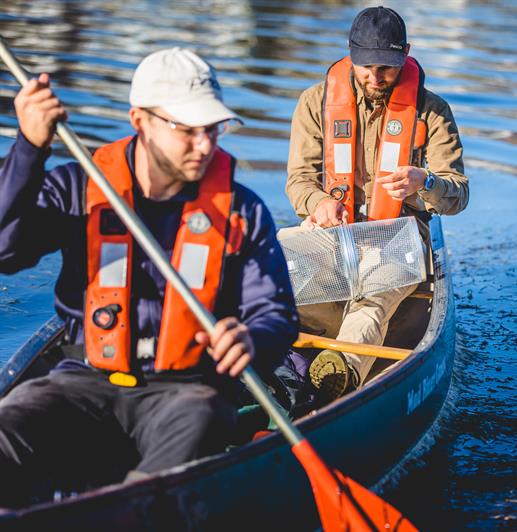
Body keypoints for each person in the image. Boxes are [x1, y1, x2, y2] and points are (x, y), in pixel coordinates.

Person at [0, 48, 298, 506]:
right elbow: (5, 251)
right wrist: (28, 149)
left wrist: (252, 338)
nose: (205, 145)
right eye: (188, 130)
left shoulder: (241, 211)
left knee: (191, 433)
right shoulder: (79, 188)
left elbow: (275, 313)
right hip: (85, 377)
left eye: (213, 129)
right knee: (9, 424)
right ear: (140, 120)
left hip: (186, 391)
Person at [285, 7, 468, 400]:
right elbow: (299, 181)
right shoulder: (315, 103)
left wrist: (427, 182)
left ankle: (342, 372)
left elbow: (458, 195)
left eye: (387, 67)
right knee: (276, 282)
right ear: (350, 54)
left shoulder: (433, 112)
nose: (375, 77)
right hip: (334, 234)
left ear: (406, 55)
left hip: (399, 239)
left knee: (374, 298)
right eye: (366, 66)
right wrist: (318, 203)